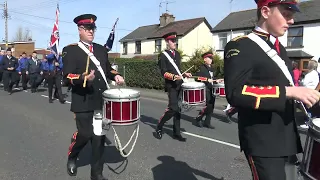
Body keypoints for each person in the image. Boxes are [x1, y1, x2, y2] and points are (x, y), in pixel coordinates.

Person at [224, 0, 320, 179]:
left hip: (286, 137)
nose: (291, 21)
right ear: (266, 12)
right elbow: (235, 92)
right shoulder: (240, 45)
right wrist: (289, 91)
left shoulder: (280, 49)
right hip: (262, 140)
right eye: (286, 14)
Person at [62, 14, 124, 180]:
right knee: (85, 134)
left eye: (93, 29)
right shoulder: (70, 50)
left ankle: (96, 174)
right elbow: (67, 76)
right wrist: (83, 78)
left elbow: (108, 69)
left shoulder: (101, 50)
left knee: (99, 138)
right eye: (87, 29)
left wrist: (116, 76)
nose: (91, 32)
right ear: (80, 30)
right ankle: (72, 156)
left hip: (101, 99)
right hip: (82, 99)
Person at [155, 32, 192, 142]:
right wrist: (174, 77)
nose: (175, 43)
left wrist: (183, 74)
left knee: (178, 110)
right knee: (173, 108)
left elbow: (178, 70)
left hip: (179, 85)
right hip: (171, 85)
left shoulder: (178, 54)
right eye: (172, 41)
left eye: (175, 41)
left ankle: (176, 133)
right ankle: (159, 126)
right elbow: (164, 72)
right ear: (167, 42)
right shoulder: (163, 55)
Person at [194, 51, 223, 128]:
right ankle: (198, 118)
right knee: (208, 106)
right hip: (205, 89)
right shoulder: (201, 68)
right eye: (209, 58)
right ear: (204, 59)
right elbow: (197, 78)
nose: (211, 60)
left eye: (211, 58)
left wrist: (217, 80)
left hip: (212, 88)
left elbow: (212, 78)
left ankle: (207, 122)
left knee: (212, 106)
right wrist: (206, 80)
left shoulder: (211, 68)